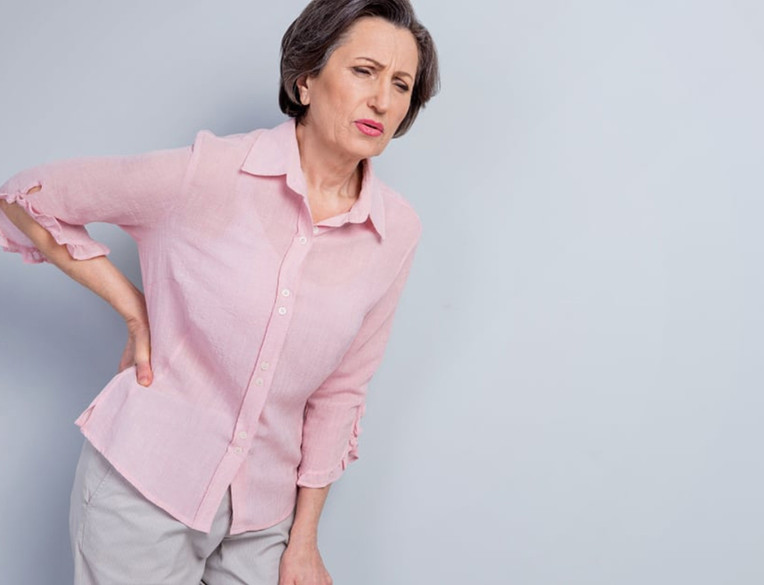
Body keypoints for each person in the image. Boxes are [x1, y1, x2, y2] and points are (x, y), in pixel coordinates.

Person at [0, 0, 440, 582]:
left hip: (263, 515)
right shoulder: (211, 172)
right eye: (364, 71)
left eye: (401, 84)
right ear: (306, 80)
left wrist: (303, 540)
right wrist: (133, 308)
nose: (382, 100)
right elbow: (26, 196)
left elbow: (341, 391)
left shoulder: (395, 230)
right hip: (146, 488)